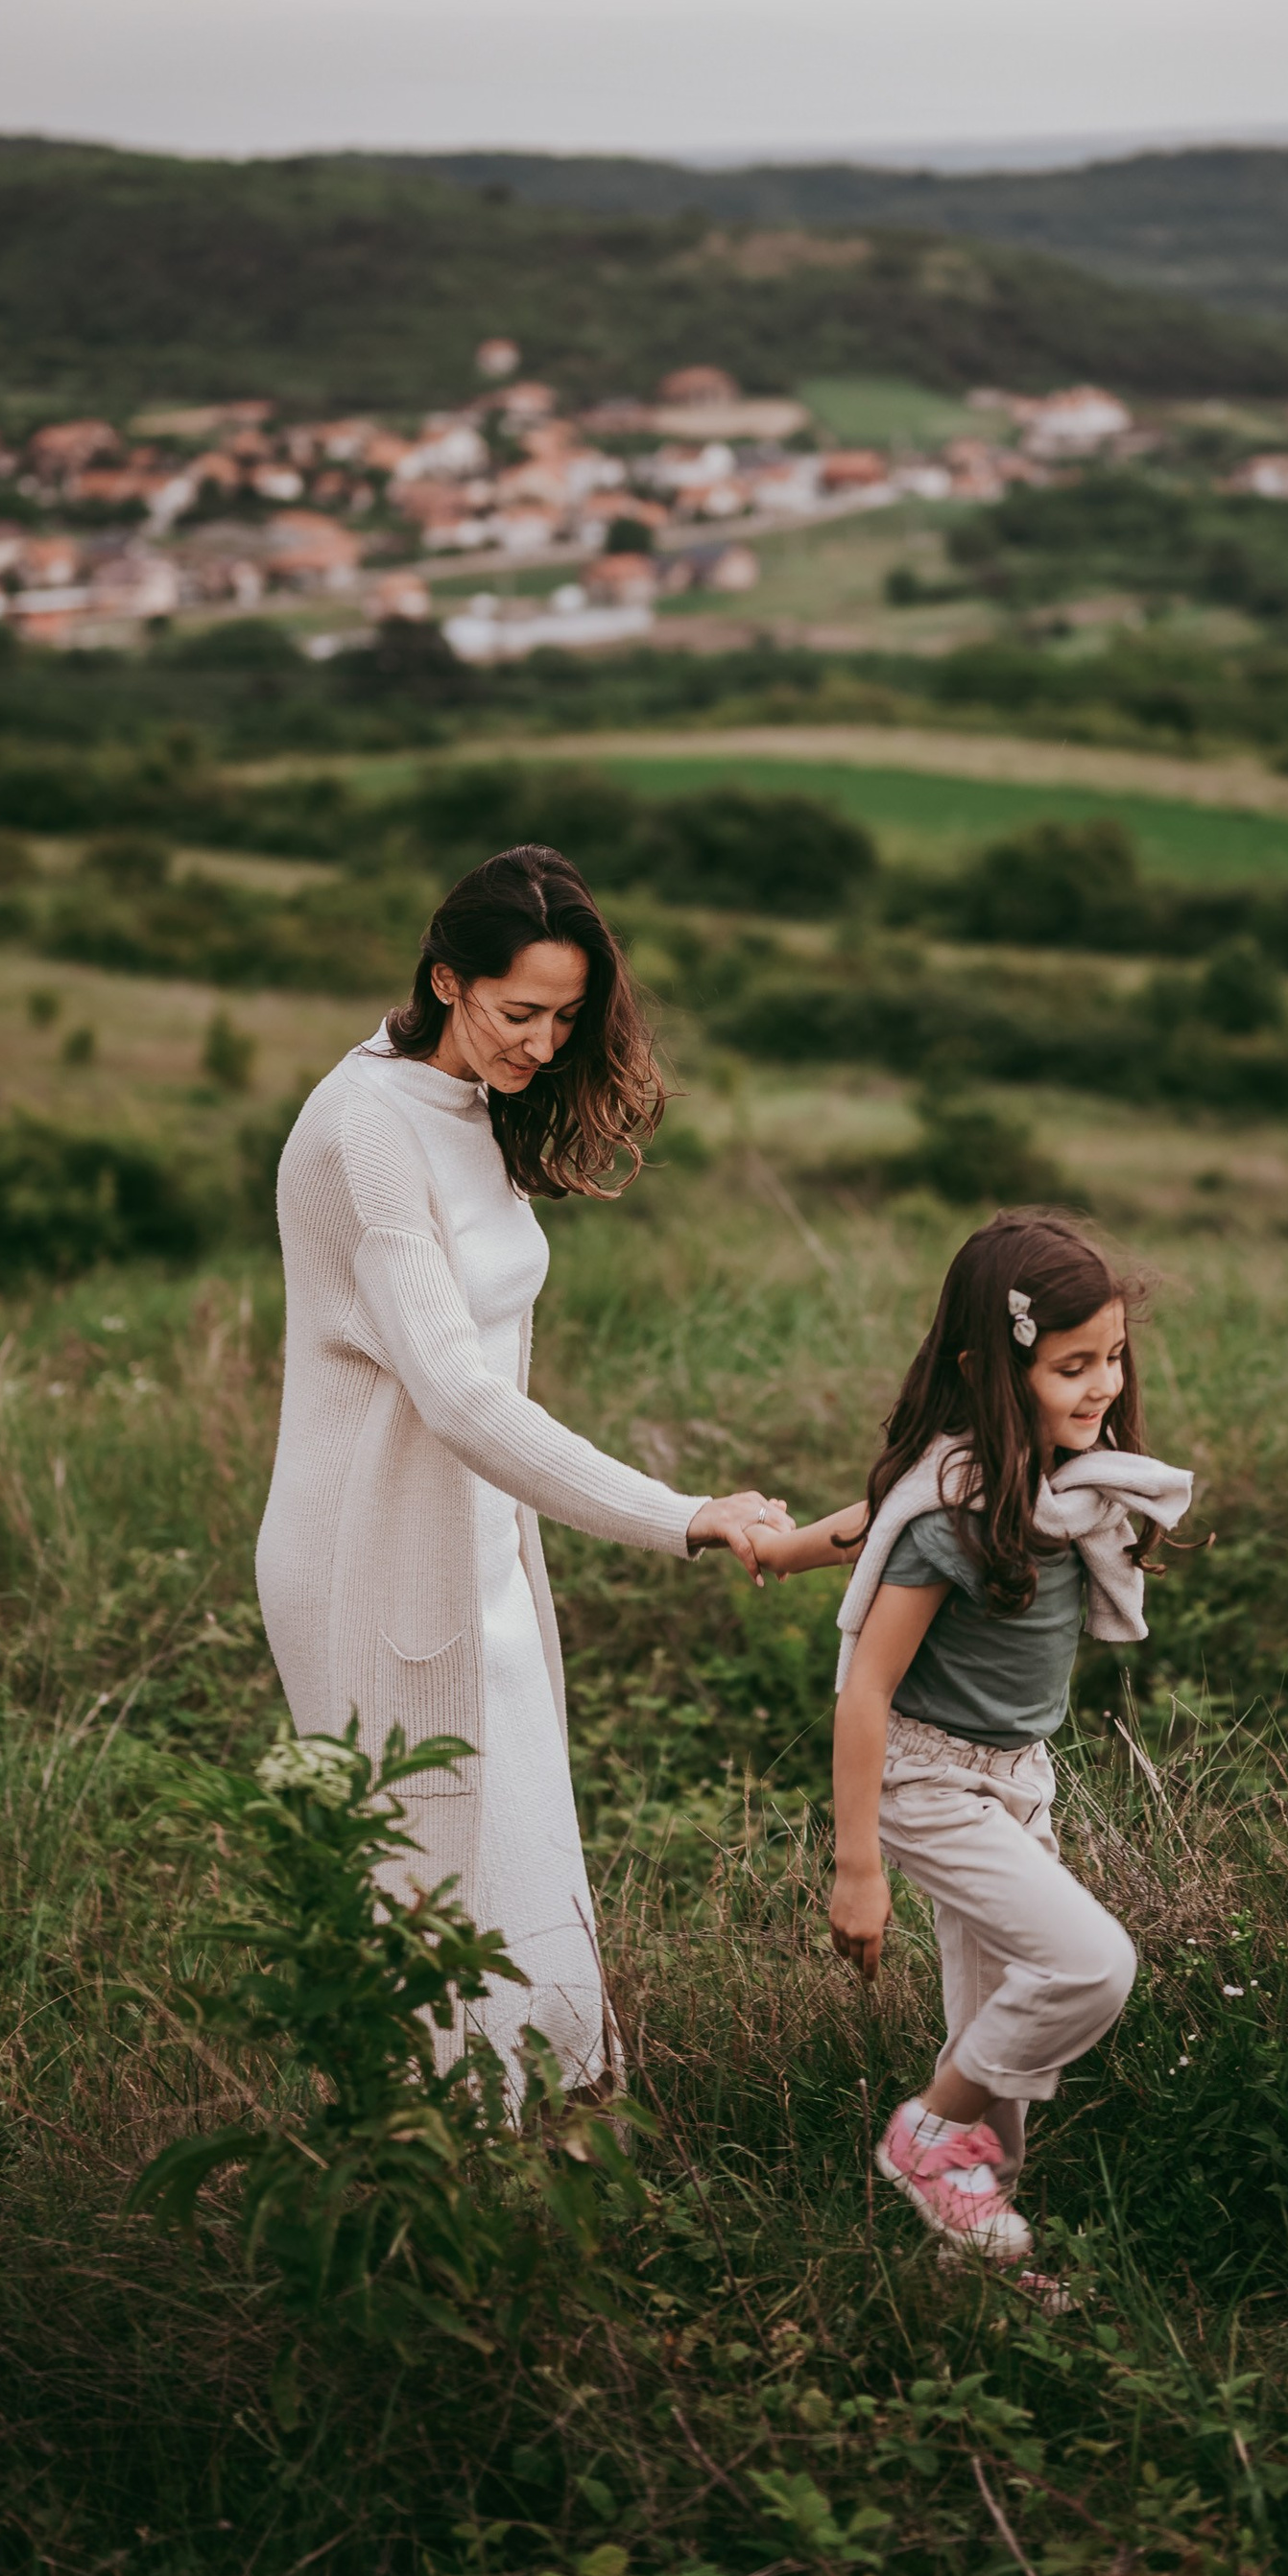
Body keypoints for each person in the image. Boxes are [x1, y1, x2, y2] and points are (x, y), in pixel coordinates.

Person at [255, 840, 785, 2091]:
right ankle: (433, 2190)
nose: (544, 1047)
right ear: (446, 981)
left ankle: (537, 2157)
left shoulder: (473, 1107)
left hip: (480, 1545)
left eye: (567, 1017)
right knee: (425, 1893)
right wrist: (684, 1515)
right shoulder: (366, 1130)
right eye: (518, 1013)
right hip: (367, 1553)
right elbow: (453, 1392)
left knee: (524, 1848)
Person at [752, 1212, 1192, 2273]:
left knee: (1001, 2025)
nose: (1100, 1385)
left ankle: (975, 2264)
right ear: (992, 1368)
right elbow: (865, 1685)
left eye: (1113, 1358)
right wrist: (857, 1867)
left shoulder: (1056, 1482)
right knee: (1088, 1965)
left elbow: (861, 1516)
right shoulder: (952, 1510)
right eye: (1070, 1365)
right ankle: (925, 2137)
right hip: (926, 1780)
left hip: (1015, 1780)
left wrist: (781, 1545)